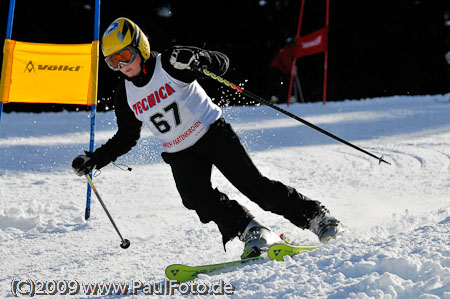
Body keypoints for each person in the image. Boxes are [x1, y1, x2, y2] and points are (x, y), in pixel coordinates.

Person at [72, 17, 343, 258]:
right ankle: (253, 231)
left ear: (140, 47)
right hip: (179, 152)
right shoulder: (125, 94)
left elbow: (221, 63)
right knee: (196, 198)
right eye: (113, 62)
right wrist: (95, 159)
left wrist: (201, 60)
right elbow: (126, 137)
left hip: (212, 133)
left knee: (256, 188)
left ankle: (318, 218)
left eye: (126, 56)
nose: (122, 65)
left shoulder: (169, 62)